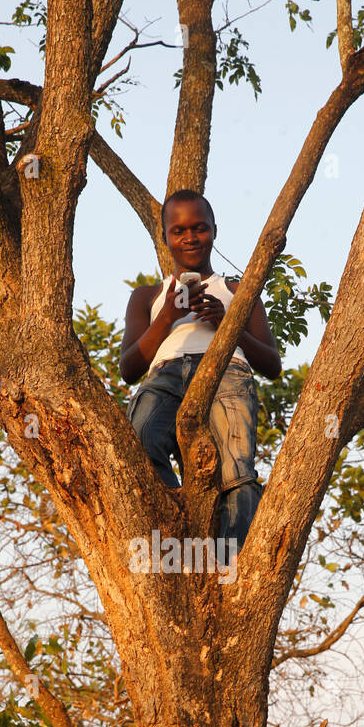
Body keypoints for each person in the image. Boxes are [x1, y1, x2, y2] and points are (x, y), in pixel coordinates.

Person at [119, 190, 281, 547]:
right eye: (179, 231)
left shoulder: (237, 289)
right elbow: (128, 368)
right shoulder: (147, 296)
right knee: (138, 449)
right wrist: (167, 318)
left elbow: (272, 364)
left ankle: (231, 563)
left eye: (199, 228)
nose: (190, 237)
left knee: (236, 472)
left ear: (214, 231)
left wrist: (229, 326)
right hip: (165, 376)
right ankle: (177, 527)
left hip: (226, 373)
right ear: (165, 237)